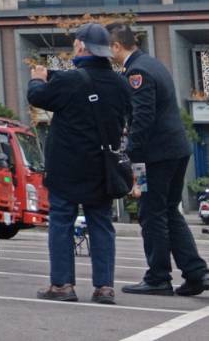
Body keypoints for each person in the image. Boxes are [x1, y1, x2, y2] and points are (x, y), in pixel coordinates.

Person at [28, 22, 130, 305]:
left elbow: (37, 97)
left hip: (68, 167)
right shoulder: (121, 83)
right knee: (101, 224)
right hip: (103, 167)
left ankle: (62, 284)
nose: (74, 47)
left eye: (75, 43)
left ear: (82, 46)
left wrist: (37, 78)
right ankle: (104, 287)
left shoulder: (70, 81)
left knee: (61, 222)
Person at [109, 25, 208, 297]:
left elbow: (142, 118)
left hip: (155, 156)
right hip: (174, 150)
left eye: (110, 47)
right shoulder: (153, 63)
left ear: (117, 46)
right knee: (168, 211)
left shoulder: (137, 72)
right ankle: (196, 273)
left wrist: (130, 156)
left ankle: (158, 277)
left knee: (151, 214)